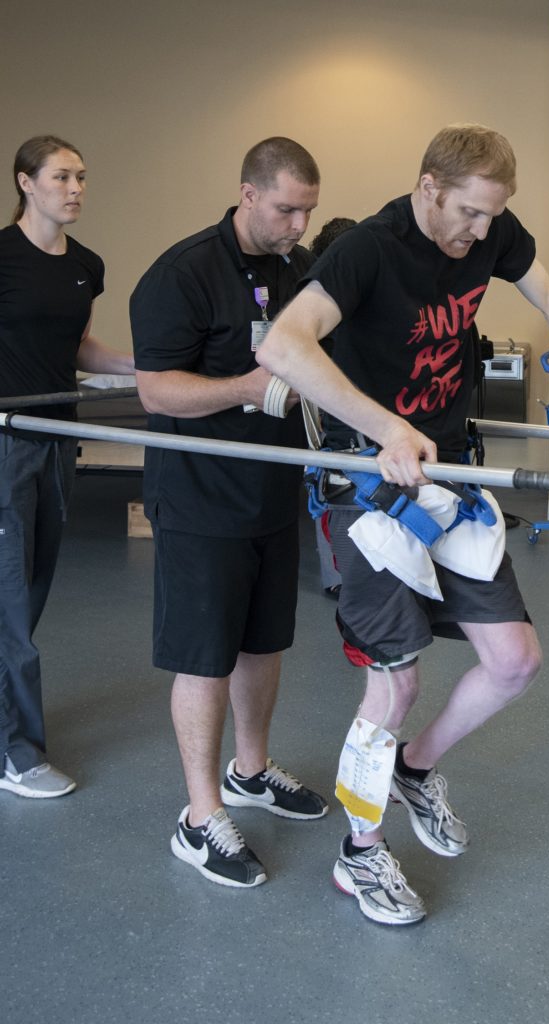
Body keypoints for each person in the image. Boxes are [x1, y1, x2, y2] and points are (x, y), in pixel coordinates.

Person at [257, 123, 549, 924]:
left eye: (491, 217)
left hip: (449, 474)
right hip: (369, 484)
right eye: (466, 213)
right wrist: (386, 427)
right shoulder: (368, 247)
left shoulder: (492, 233)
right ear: (428, 186)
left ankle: (414, 771)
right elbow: (285, 349)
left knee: (514, 662)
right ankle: (357, 858)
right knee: (394, 681)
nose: (478, 233)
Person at [130, 137, 328, 890]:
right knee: (204, 656)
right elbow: (155, 392)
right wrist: (245, 389)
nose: (297, 224)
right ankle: (199, 813)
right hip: (199, 498)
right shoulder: (181, 273)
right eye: (285, 209)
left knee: (261, 643)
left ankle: (250, 770)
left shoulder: (297, 273)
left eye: (307, 210)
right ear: (248, 194)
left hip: (270, 491)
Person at [0, 135, 134, 799]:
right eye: (61, 176)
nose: (75, 188)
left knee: (31, 593)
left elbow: (79, 347)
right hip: (4, 443)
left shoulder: (87, 264)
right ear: (26, 182)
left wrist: (147, 367)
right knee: (9, 604)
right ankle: (15, 753)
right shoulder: (0, 258)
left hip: (59, 440)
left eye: (81, 176)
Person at [308, 218, 357, 599]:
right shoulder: (315, 295)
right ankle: (338, 574)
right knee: (330, 483)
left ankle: (345, 573)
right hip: (326, 404)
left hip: (358, 403)